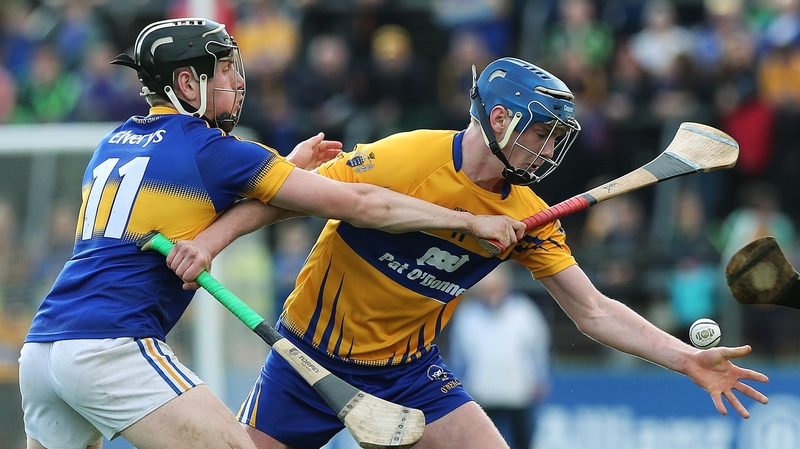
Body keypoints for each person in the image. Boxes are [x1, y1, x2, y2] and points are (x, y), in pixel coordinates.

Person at [168, 56, 770, 449]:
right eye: (541, 132)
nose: (547, 149)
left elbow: (594, 310)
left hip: (410, 373)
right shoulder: (404, 159)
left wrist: (682, 357)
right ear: (501, 117)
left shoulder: (526, 213)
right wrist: (208, 243)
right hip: (309, 361)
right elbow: (281, 197)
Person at [16, 18, 524, 449]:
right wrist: (470, 221)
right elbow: (363, 204)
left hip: (42, 350)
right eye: (224, 71)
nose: (237, 82)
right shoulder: (214, 150)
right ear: (188, 85)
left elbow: (197, 204)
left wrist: (285, 169)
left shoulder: (114, 141)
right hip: (113, 342)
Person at [448, 263, 550, 449]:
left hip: (518, 391)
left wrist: (539, 378)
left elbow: (538, 348)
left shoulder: (523, 311)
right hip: (481, 391)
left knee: (523, 442)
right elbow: (459, 356)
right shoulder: (468, 314)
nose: (492, 293)